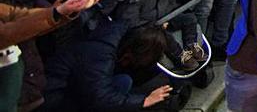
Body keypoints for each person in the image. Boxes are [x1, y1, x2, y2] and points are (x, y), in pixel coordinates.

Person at [42, 22, 175, 111]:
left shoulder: (120, 33)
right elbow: (99, 97)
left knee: (124, 80)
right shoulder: (100, 56)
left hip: (71, 86)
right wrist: (144, 101)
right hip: (56, 97)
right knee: (122, 83)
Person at [110, 0, 203, 73]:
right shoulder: (133, 0)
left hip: (167, 17)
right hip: (148, 28)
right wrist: (154, 25)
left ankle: (191, 45)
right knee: (163, 35)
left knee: (190, 18)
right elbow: (132, 23)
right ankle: (180, 56)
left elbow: (171, 2)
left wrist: (176, 11)